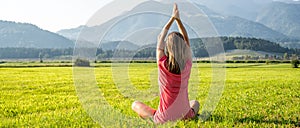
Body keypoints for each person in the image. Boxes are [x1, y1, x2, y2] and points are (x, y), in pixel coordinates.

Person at [131, 3, 199, 124]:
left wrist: (172, 18)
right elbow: (186, 38)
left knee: (135, 104)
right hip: (185, 115)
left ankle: (155, 115)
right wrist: (178, 20)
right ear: (184, 47)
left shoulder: (162, 64)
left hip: (163, 119)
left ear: (167, 48)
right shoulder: (187, 64)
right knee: (195, 103)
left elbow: (160, 39)